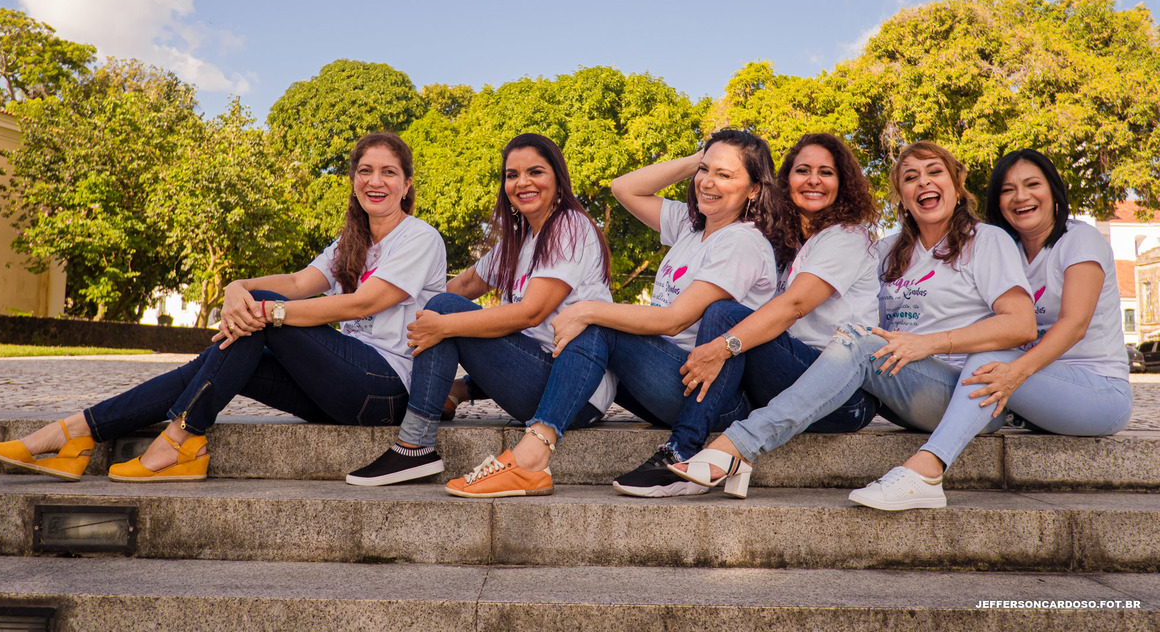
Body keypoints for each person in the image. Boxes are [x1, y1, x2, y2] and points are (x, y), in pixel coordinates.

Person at [0, 132, 446, 482]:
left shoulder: (419, 236)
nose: (375, 180)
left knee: (257, 317)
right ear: (353, 181)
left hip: (387, 388)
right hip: (339, 389)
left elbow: (366, 302)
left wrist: (266, 311)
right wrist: (236, 287)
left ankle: (180, 437)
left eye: (388, 172)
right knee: (218, 357)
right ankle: (77, 431)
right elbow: (299, 282)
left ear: (406, 185)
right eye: (365, 170)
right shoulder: (352, 242)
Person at [670, 141, 1039, 509]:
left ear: (957, 184)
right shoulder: (889, 251)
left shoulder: (985, 239)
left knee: (858, 341)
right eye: (911, 177)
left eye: (934, 172)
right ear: (901, 195)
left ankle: (738, 445)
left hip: (965, 392)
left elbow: (1021, 325)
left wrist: (928, 343)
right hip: (897, 384)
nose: (923, 183)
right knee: (836, 336)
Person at [439, 129, 784, 498]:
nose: (708, 182)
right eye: (705, 171)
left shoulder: (741, 241)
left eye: (725, 175)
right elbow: (624, 188)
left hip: (708, 394)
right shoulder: (691, 224)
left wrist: (590, 309)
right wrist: (700, 160)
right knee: (592, 322)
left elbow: (675, 319)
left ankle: (531, 457)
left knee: (596, 321)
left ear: (753, 189)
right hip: (667, 378)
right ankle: (499, 425)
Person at [615, 133, 881, 497]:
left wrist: (724, 346)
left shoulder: (846, 238)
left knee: (724, 313)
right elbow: (624, 188)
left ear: (843, 182)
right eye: (802, 170)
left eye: (826, 172)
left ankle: (683, 450)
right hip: (784, 377)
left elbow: (794, 306)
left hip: (841, 393)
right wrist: (707, 160)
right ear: (784, 180)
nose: (813, 180)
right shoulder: (782, 238)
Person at [347, 133, 613, 491]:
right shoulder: (519, 239)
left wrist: (442, 323)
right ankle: (436, 409)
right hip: (535, 377)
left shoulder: (569, 226)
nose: (522, 183)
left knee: (442, 312)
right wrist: (411, 299)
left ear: (557, 177)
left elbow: (530, 314)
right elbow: (464, 285)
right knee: (438, 306)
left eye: (535, 172)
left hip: (573, 392)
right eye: (512, 175)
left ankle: (414, 444)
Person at [967, 148, 1132, 435]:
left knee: (983, 366)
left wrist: (1013, 375)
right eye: (1008, 190)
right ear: (997, 202)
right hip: (1040, 383)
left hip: (1099, 390)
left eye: (1032, 185)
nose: (1021, 197)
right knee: (974, 366)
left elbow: (1074, 324)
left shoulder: (1079, 239)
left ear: (1054, 191)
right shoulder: (1005, 252)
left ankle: (928, 467)